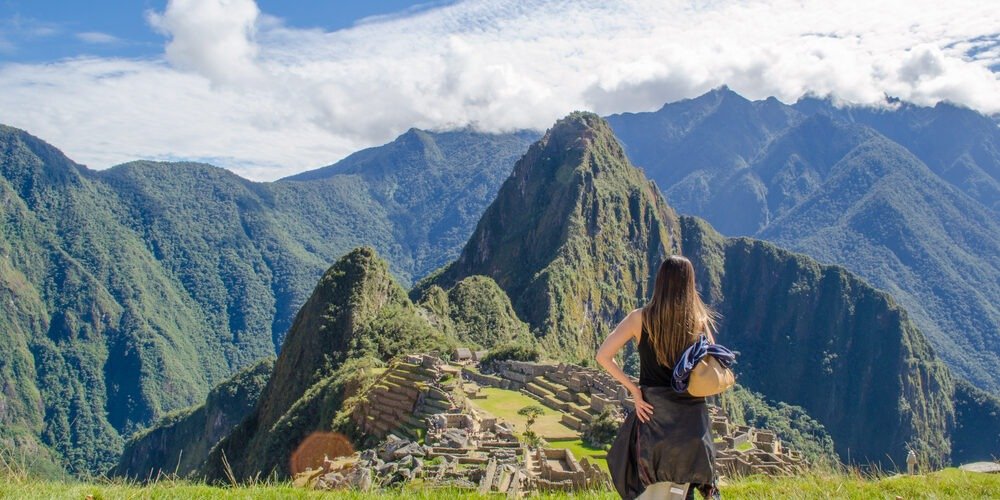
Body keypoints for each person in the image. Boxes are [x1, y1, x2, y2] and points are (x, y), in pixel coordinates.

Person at [596, 255, 721, 499]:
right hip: (691, 423)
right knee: (683, 492)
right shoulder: (699, 321)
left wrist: (634, 391)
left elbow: (603, 356)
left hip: (653, 419)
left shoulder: (639, 318)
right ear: (689, 283)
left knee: (650, 490)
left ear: (660, 282)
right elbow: (712, 367)